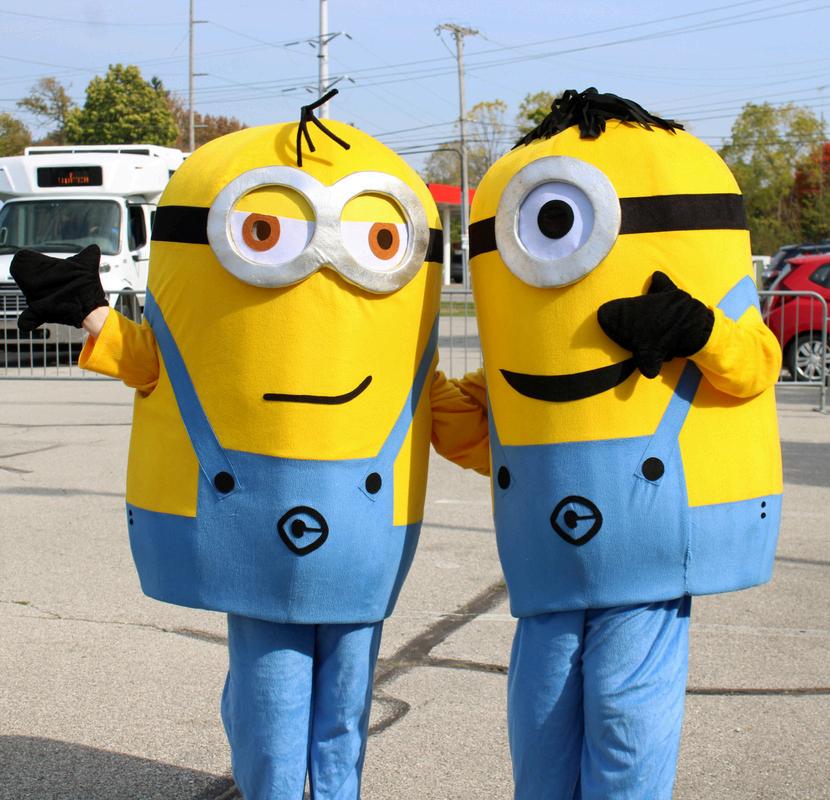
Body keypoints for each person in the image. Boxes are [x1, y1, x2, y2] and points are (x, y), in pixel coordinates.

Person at [11, 94, 487, 800]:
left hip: (360, 540)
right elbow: (160, 361)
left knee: (340, 695)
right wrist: (89, 311)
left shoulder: (407, 371)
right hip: (276, 531)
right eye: (261, 232)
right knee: (275, 691)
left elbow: (452, 416)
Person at [437, 88, 783, 799]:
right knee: (543, 721)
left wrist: (700, 329)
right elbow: (473, 425)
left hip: (645, 555)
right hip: (549, 559)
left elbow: (755, 365)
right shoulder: (511, 376)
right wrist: (402, 383)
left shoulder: (708, 302)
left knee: (629, 722)